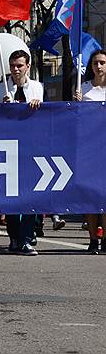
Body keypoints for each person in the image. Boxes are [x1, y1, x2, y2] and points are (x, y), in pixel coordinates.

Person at [0, 49, 42, 256]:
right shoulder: (0, 89)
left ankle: (26, 237)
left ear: (28, 66)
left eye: (19, 65)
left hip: (31, 148)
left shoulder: (38, 88)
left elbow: (48, 117)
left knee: (30, 196)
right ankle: (14, 236)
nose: (15, 69)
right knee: (12, 196)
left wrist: (38, 106)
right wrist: (1, 107)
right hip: (8, 149)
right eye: (12, 65)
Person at [76, 49, 106, 253]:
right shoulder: (84, 89)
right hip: (89, 148)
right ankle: (93, 239)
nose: (99, 66)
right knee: (90, 197)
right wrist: (76, 104)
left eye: (103, 62)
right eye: (96, 62)